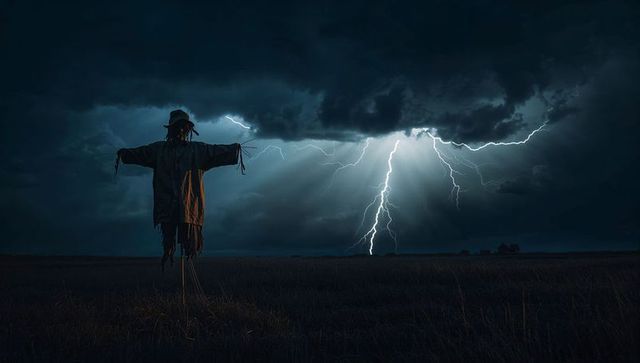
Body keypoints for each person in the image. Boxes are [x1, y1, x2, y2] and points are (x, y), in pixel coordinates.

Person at [116, 109, 242, 270]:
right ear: (170, 129)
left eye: (183, 126)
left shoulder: (198, 150)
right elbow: (142, 153)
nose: (180, 130)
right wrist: (125, 154)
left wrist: (234, 149)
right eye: (177, 126)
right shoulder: (158, 150)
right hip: (168, 207)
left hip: (188, 208)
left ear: (188, 129)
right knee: (169, 240)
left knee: (188, 244)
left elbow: (216, 151)